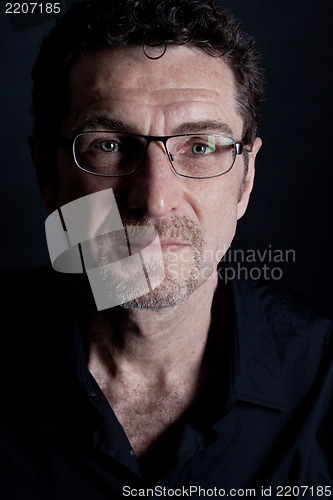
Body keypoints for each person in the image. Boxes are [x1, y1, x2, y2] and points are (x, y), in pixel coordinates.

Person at [0, 0, 332, 498]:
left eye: (200, 147)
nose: (154, 202)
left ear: (246, 180)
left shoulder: (324, 381)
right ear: (48, 173)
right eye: (109, 145)